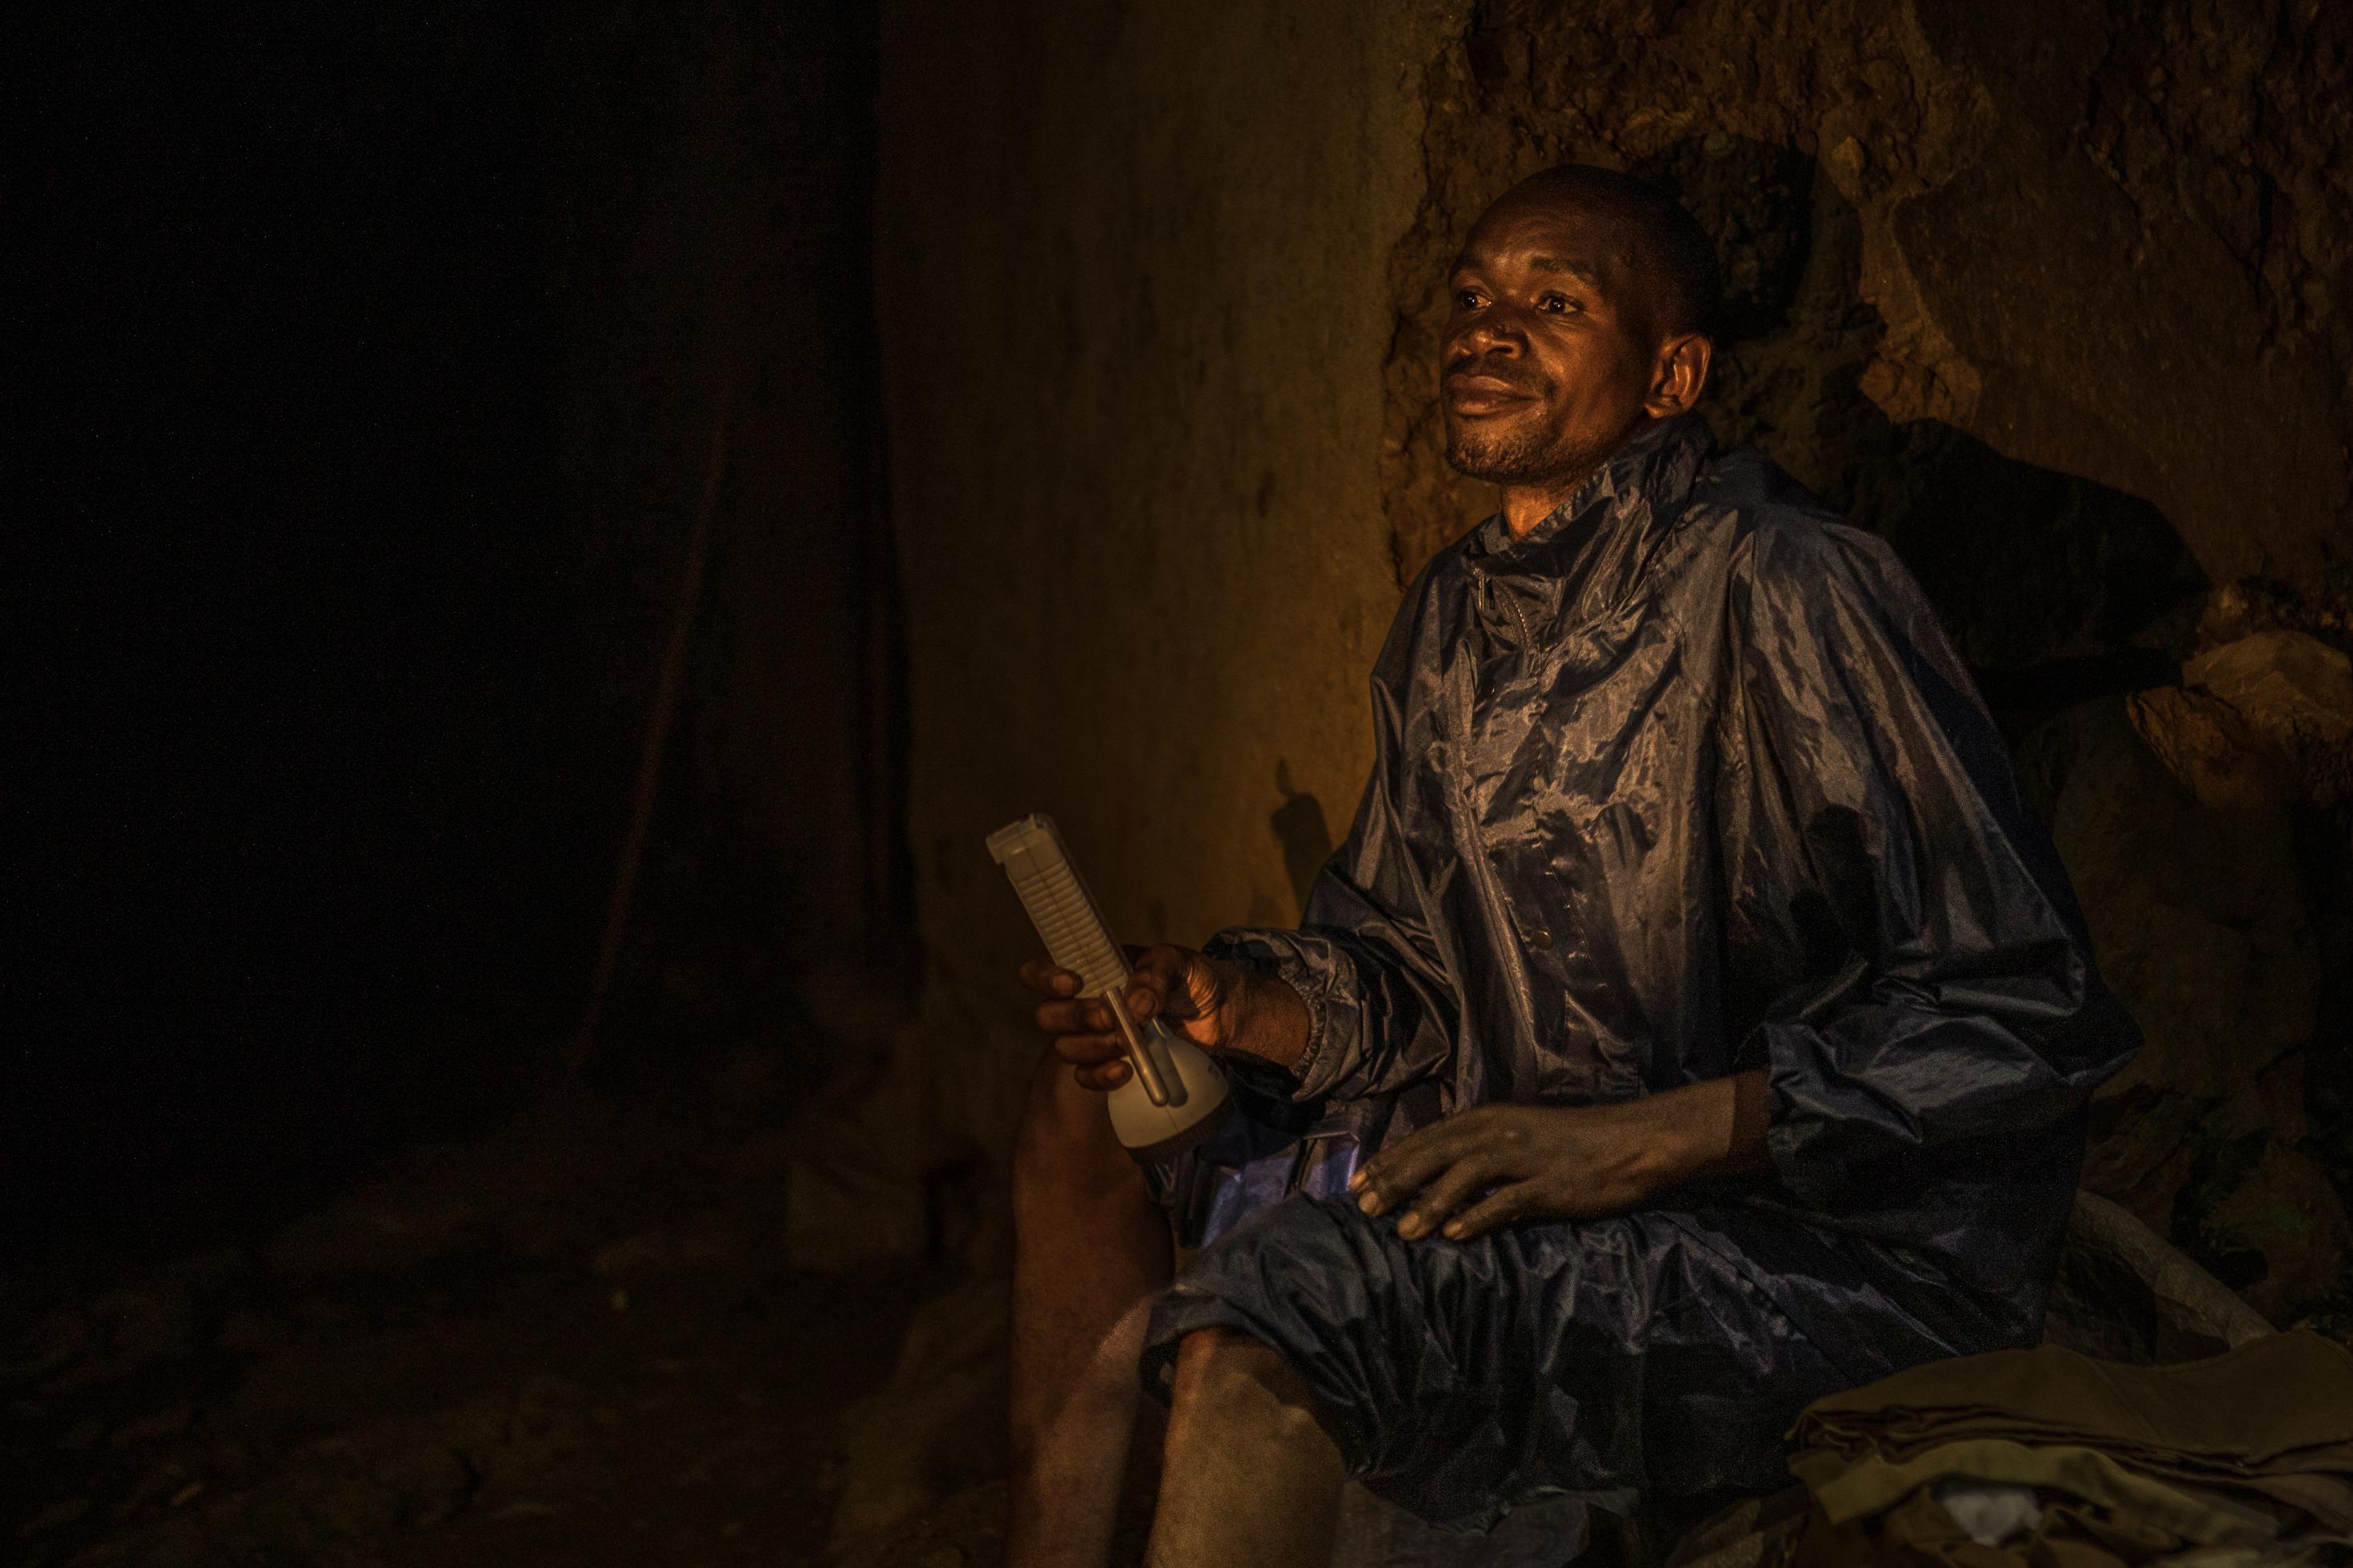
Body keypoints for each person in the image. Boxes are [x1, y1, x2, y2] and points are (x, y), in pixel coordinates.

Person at [1007, 165, 2141, 1568]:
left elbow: (2022, 1004)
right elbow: (1411, 967)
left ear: (1671, 375)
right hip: (1520, 1168)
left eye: (1554, 305)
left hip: (1797, 1237)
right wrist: (1230, 1005)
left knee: (1293, 1296)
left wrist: (1633, 1144)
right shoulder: (1453, 621)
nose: (1486, 332)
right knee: (1097, 1102)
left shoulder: (1788, 584)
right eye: (1474, 298)